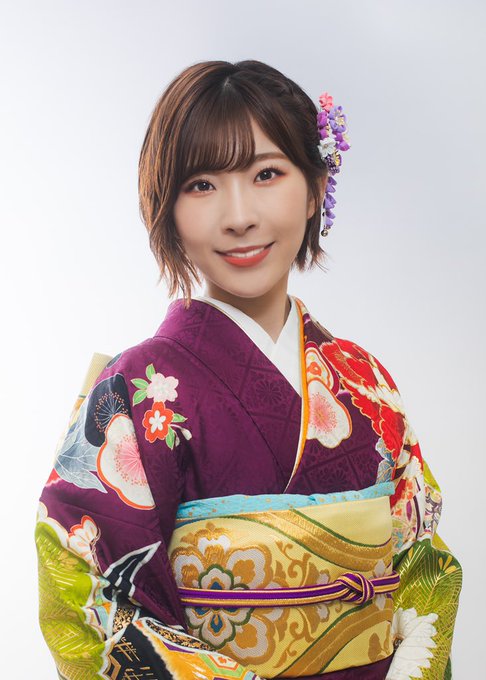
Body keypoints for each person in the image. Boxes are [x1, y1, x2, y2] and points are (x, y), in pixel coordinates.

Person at [35, 60, 462, 680]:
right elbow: (90, 590)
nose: (239, 216)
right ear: (166, 208)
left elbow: (423, 562)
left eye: (267, 174)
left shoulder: (363, 380)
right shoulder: (138, 389)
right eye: (201, 185)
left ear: (315, 187)